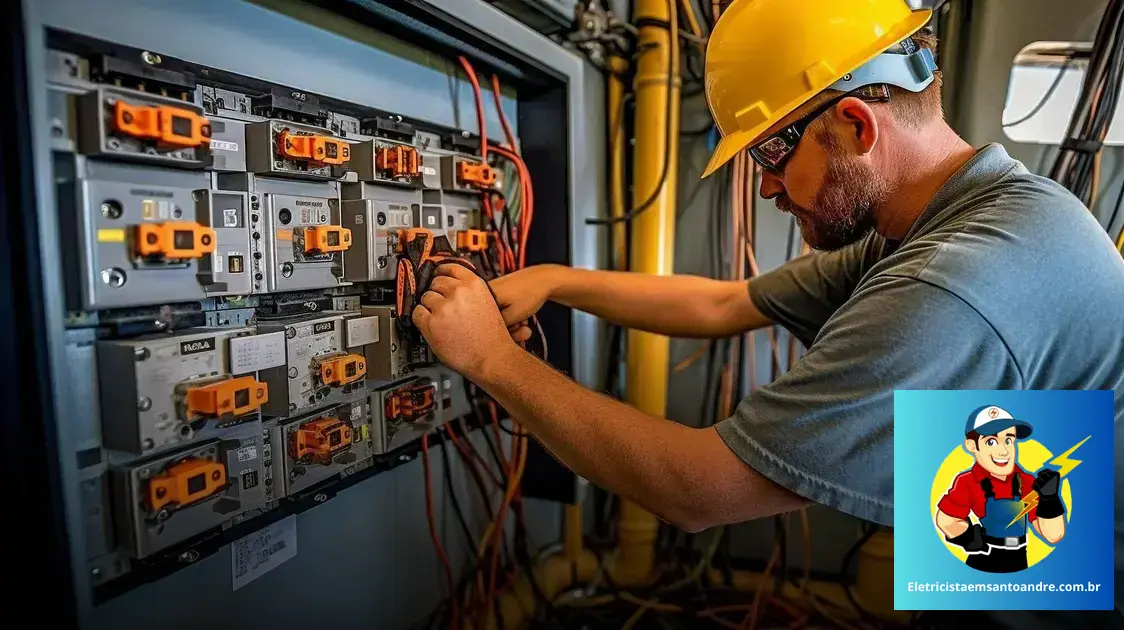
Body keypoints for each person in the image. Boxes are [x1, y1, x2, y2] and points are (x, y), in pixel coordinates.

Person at [410, 0, 1124, 625]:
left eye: (769, 154)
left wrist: (491, 361)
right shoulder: (955, 216)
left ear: (854, 124)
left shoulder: (952, 283)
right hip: (1014, 577)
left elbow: (696, 491)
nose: (766, 189)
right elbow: (725, 303)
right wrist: (560, 281)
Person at [935, 405, 1065, 573]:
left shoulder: (1027, 481)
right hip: (983, 560)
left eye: (1009, 440)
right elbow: (946, 519)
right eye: (991, 441)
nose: (1003, 451)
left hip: (1020, 559)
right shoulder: (968, 482)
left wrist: (1050, 499)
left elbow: (1053, 535)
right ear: (971, 445)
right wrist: (968, 538)